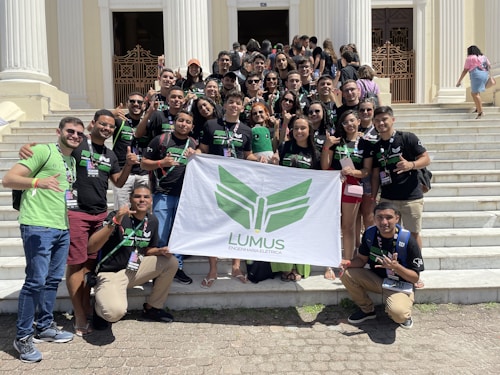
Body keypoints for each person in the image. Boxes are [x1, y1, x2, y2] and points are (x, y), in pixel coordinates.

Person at [3, 117, 85, 362]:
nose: (75, 136)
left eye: (79, 133)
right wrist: (38, 181)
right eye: (70, 131)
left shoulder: (71, 160)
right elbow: (8, 179)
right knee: (35, 282)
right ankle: (23, 337)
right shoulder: (42, 150)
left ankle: (45, 326)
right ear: (58, 131)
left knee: (51, 281)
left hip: (61, 226)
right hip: (37, 225)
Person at [87, 184, 178, 327]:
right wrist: (115, 221)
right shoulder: (118, 216)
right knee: (114, 313)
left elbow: (148, 249)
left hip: (133, 269)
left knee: (171, 262)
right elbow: (91, 246)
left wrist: (160, 251)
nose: (142, 200)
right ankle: (98, 310)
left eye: (146, 197)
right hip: (111, 273)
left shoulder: (152, 220)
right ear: (131, 199)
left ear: (151, 201)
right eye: (138, 196)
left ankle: (152, 308)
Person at [198, 90, 258, 288]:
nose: (234, 105)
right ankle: (213, 269)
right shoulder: (211, 125)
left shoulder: (247, 130)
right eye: (230, 102)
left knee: (238, 225)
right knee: (212, 225)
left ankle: (236, 267)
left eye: (237, 103)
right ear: (224, 105)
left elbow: (247, 155)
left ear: (242, 107)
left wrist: (261, 159)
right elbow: (203, 150)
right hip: (213, 183)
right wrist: (193, 153)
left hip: (238, 184)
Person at [370, 106, 431, 287]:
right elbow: (375, 175)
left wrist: (411, 165)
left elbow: (426, 158)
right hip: (388, 198)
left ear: (392, 120)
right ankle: (392, 268)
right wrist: (374, 197)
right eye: (378, 120)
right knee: (388, 234)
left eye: (384, 119)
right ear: (374, 123)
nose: (381, 123)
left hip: (411, 197)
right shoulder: (376, 146)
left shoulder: (408, 138)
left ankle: (415, 272)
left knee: (413, 234)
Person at [340, 202, 425, 329]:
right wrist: (347, 262)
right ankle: (367, 310)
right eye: (379, 217)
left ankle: (403, 311)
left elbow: (414, 278)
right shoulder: (370, 234)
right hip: (378, 280)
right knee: (346, 274)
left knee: (399, 315)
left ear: (397, 218)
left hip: (400, 285)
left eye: (389, 217)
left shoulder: (407, 240)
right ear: (374, 218)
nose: (384, 222)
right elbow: (362, 260)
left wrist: (396, 267)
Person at [141, 110, 199, 285]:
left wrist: (196, 156)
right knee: (161, 234)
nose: (183, 124)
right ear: (175, 122)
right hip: (163, 194)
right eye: (181, 120)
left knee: (179, 234)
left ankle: (177, 267)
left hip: (184, 196)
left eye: (187, 122)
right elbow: (143, 163)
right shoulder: (161, 140)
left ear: (192, 126)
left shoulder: (193, 143)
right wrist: (161, 163)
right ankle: (156, 269)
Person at [271, 116, 319, 281]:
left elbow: (321, 177)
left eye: (303, 128)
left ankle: (299, 268)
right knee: (284, 234)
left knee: (300, 235)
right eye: (296, 128)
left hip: (304, 200)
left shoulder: (315, 152)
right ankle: (286, 268)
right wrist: (275, 163)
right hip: (284, 199)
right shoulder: (284, 146)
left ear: (309, 131)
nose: (299, 131)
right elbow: (276, 171)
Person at [322, 110, 373, 263]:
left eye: (352, 121)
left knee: (348, 226)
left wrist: (353, 172)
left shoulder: (366, 143)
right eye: (345, 122)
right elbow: (325, 166)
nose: (349, 124)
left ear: (358, 121)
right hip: (335, 185)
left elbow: (366, 171)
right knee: (331, 224)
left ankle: (347, 259)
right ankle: (329, 259)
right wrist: (327, 146)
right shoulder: (336, 141)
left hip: (353, 186)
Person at [112, 92, 150, 209]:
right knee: (122, 212)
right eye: (132, 101)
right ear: (127, 104)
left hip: (143, 174)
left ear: (144, 105)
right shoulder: (119, 121)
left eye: (139, 102)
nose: (136, 104)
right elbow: (94, 127)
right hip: (123, 174)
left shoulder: (148, 124)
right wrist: (111, 113)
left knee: (144, 211)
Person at [456, 45, 491, 119]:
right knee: (475, 93)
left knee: (475, 93)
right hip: (484, 74)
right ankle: (477, 108)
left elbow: (465, 70)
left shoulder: (470, 58)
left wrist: (459, 81)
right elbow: (489, 65)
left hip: (476, 75)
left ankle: (480, 112)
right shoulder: (483, 57)